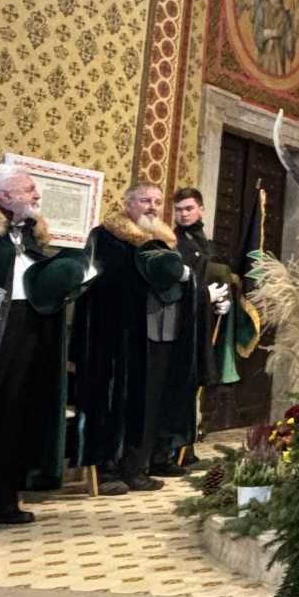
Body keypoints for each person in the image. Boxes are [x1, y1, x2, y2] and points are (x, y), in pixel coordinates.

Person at [0, 164, 90, 527]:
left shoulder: (29, 234)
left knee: (14, 414)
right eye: (29, 189)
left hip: (27, 331)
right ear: (6, 194)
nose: (37, 195)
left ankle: (1, 500)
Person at [73, 181, 187, 495]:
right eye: (144, 200)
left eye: (157, 201)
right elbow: (98, 280)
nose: (152, 206)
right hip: (115, 334)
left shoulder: (163, 241)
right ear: (128, 204)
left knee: (146, 403)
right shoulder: (106, 236)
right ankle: (108, 469)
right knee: (113, 401)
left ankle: (135, 468)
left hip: (153, 333)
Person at [169, 185, 234, 468]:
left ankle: (188, 446)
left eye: (189, 209)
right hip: (178, 323)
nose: (183, 215)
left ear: (201, 209)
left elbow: (213, 276)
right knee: (179, 385)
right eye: (179, 210)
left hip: (202, 322)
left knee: (195, 382)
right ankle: (172, 449)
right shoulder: (170, 242)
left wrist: (222, 304)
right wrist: (204, 297)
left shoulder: (207, 244)